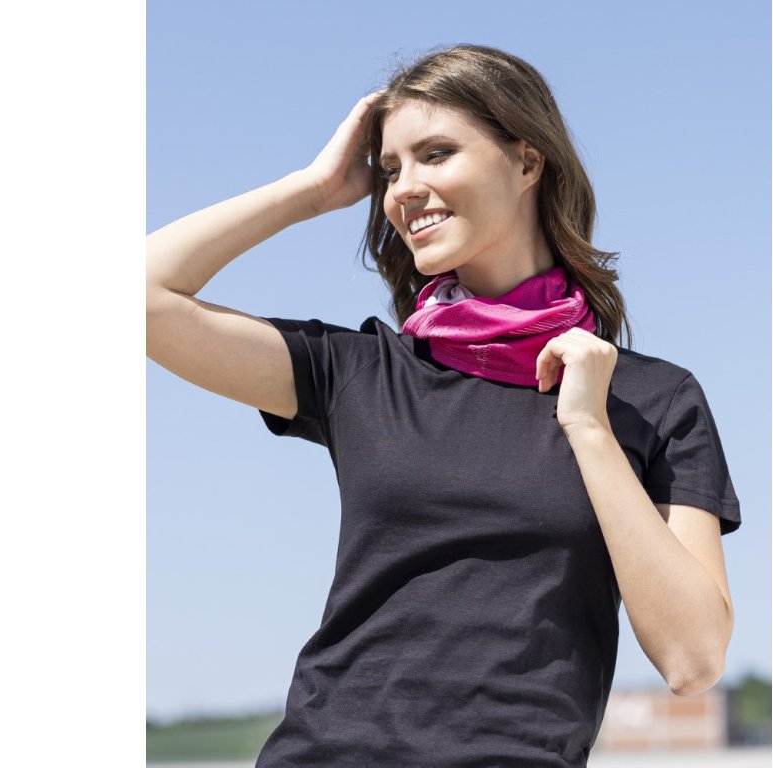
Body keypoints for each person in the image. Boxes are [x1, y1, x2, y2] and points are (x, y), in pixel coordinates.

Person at [147, 44, 740, 768]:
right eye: (391, 169)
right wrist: (312, 189)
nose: (404, 188)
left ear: (527, 161)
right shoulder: (360, 372)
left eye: (435, 154)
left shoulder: (653, 400)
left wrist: (589, 428)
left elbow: (692, 658)